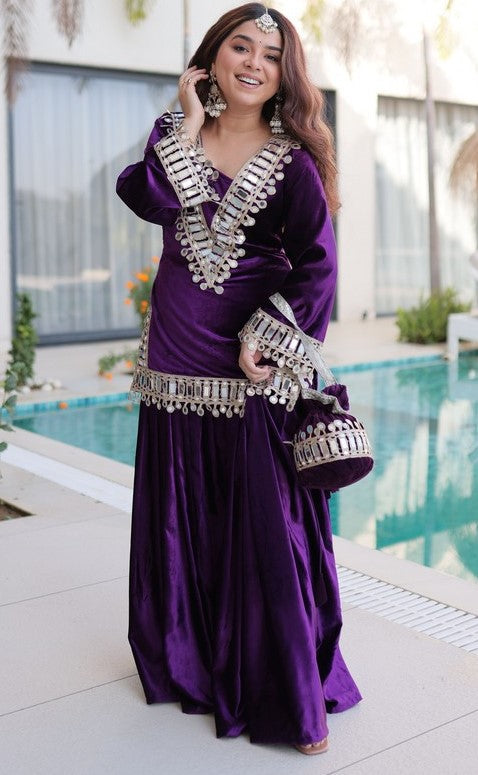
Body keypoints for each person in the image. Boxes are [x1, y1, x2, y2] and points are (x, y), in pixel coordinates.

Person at [116, 1, 361, 755]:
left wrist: (269, 337)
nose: (254, 63)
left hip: (252, 366)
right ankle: (188, 663)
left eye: (270, 55)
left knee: (265, 527)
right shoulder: (174, 134)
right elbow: (145, 195)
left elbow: (319, 263)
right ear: (212, 57)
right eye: (241, 47)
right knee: (179, 520)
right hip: (174, 361)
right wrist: (189, 122)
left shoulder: (292, 160)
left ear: (286, 74)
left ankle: (285, 692)